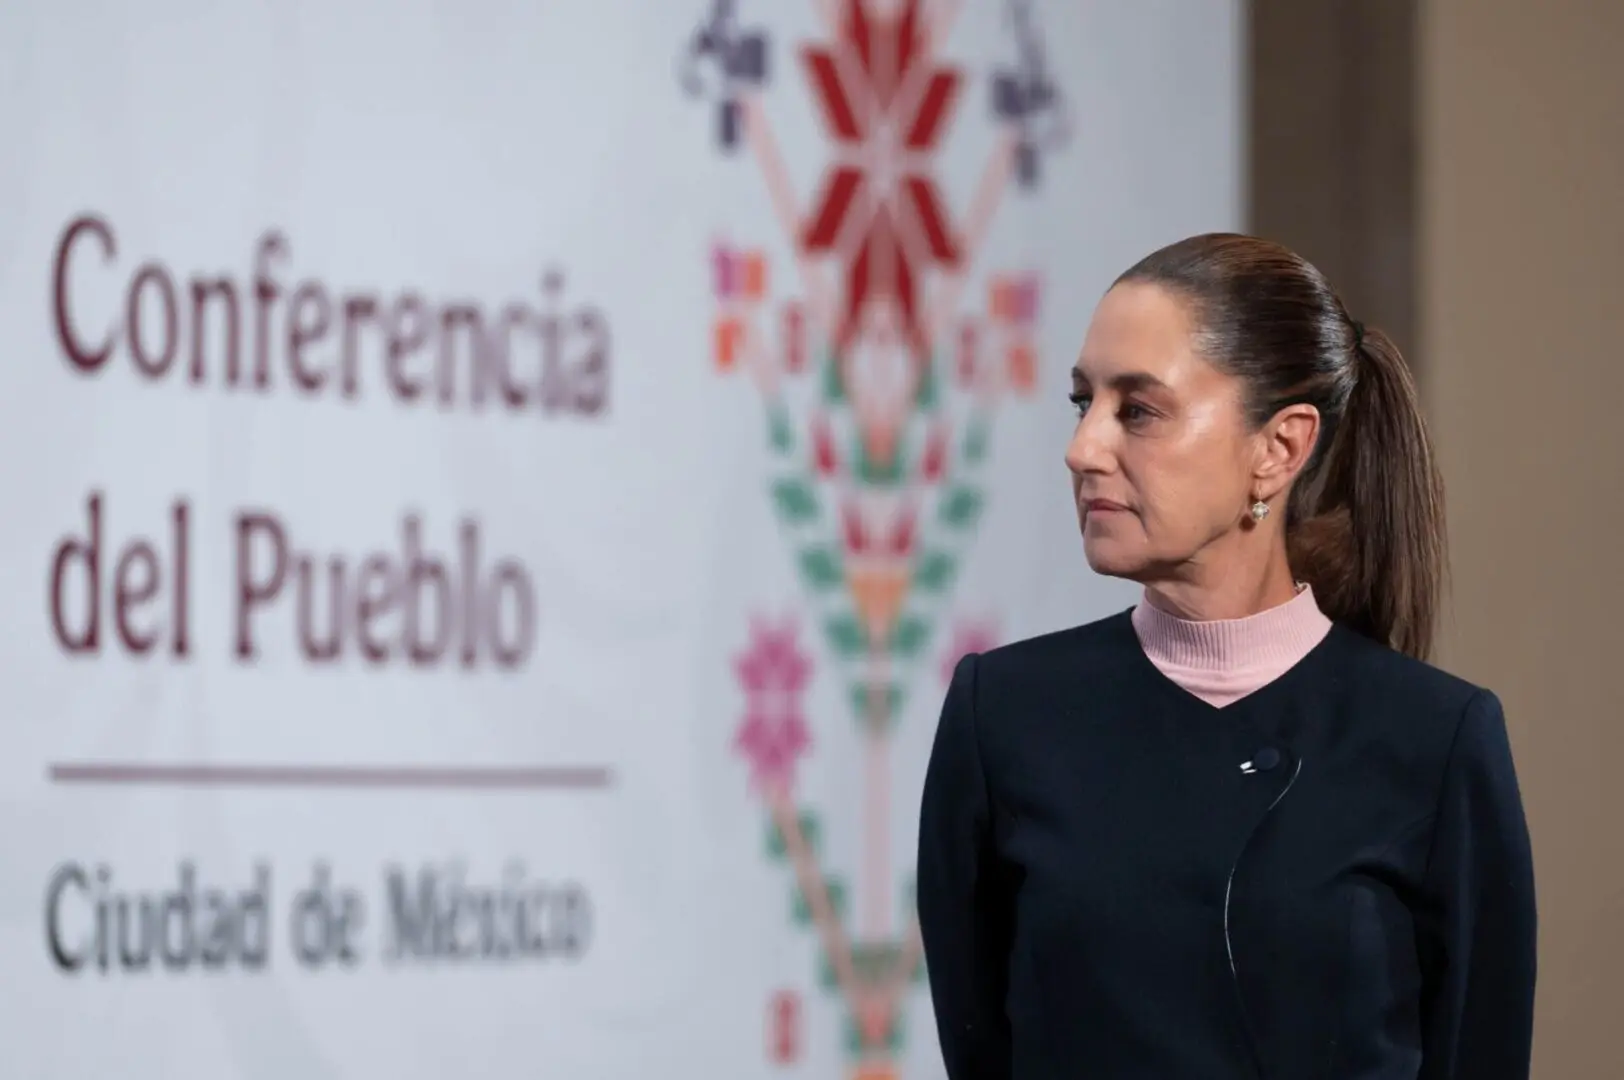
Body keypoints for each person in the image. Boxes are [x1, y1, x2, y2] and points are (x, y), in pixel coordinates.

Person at [916, 233, 1537, 1079]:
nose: (1083, 447)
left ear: (1278, 448)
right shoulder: (1004, 714)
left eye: (1138, 410)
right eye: (1082, 402)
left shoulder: (1440, 739)